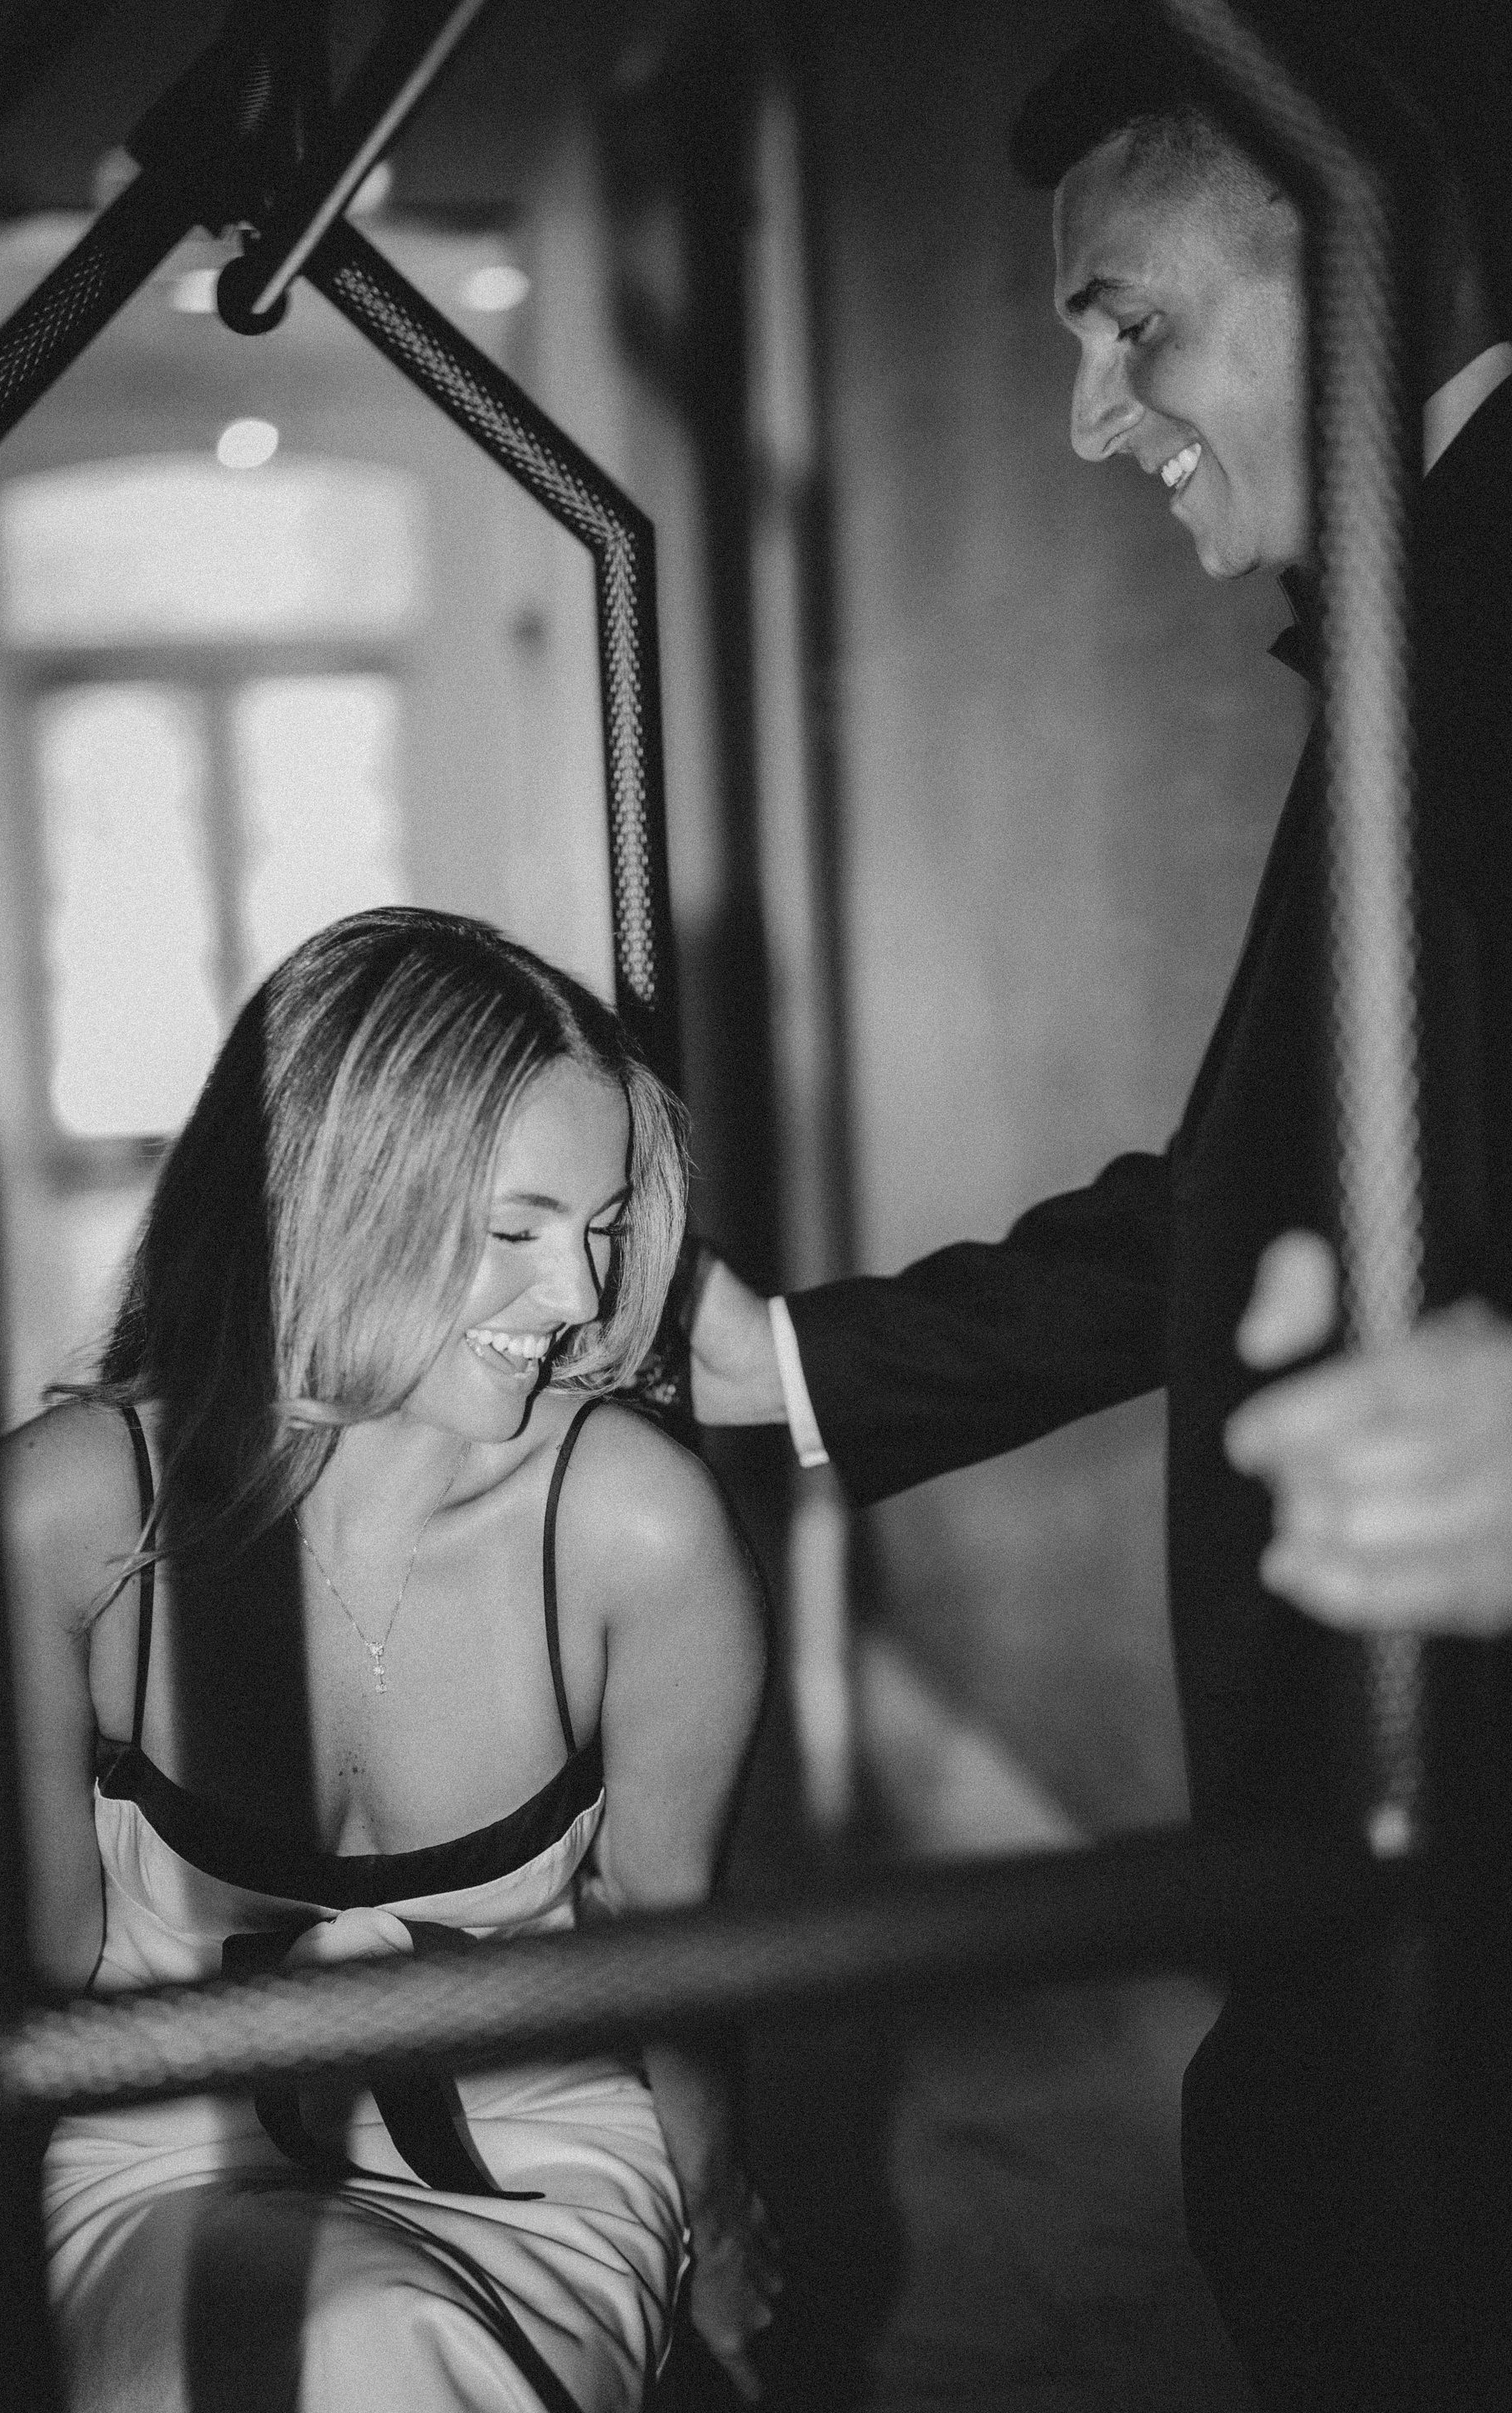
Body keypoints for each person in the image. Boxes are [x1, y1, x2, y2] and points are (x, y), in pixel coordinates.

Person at [689, 12, 1512, 2407]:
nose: (1086, 418)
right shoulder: (1433, 605)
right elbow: (1255, 1183)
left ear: (1381, 251)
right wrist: (788, 1362)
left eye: (1129, 322)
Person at [2, 908, 778, 2413]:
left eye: (604, 1228)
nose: (580, 1298)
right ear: (335, 1199)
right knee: (321, 2346)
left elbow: (673, 1938)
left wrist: (721, 2223)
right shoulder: (71, 1515)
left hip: (545, 2177)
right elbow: (24, 1987)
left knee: (375, 2348)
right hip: (164, 2165)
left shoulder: (631, 1529)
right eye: (516, 1231)